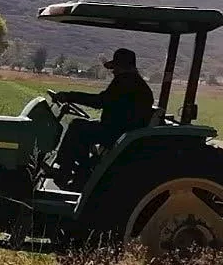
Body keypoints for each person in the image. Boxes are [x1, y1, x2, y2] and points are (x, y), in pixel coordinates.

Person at [50, 48, 155, 184]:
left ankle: (65, 172)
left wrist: (70, 96)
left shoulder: (125, 82)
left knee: (77, 127)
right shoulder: (136, 83)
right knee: (83, 128)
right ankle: (81, 172)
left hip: (118, 133)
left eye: (115, 67)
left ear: (121, 66)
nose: (113, 71)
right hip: (122, 130)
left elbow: (99, 101)